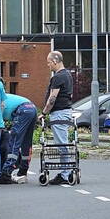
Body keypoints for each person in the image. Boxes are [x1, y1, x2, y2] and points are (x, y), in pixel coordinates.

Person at [42, 51, 75, 186]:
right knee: (64, 143)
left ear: (55, 61)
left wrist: (44, 113)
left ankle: (65, 174)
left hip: (59, 113)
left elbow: (52, 98)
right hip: (66, 111)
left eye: (49, 62)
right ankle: (66, 171)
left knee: (62, 144)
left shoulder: (58, 77)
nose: (48, 65)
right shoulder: (68, 75)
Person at [0, 92, 36, 184]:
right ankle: (23, 171)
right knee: (26, 142)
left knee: (14, 141)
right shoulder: (2, 96)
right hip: (32, 108)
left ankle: (6, 172)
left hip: (22, 110)